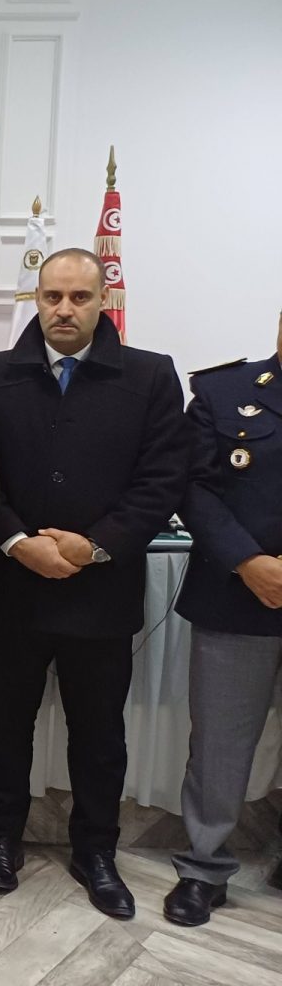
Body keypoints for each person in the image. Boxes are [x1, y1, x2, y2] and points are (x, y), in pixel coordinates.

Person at [0, 248, 185, 920]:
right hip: (13, 586)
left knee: (99, 734)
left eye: (79, 297)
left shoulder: (150, 375)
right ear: (36, 299)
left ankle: (96, 851)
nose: (64, 310)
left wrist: (93, 547)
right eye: (52, 297)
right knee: (4, 725)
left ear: (103, 300)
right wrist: (19, 542)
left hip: (101, 591)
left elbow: (162, 481)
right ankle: (0, 840)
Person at [162, 318, 282, 926]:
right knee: (220, 744)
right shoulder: (223, 391)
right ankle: (204, 869)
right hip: (237, 595)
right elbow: (192, 485)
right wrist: (246, 560)